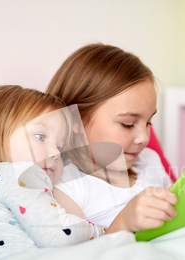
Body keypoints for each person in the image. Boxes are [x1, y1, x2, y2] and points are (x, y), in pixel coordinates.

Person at [0, 85, 109, 260]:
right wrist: (104, 232)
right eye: (40, 137)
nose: (55, 153)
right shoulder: (17, 175)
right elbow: (58, 235)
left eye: (60, 147)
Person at [47, 43, 178, 234]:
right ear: (75, 119)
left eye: (148, 122)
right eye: (127, 124)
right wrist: (122, 224)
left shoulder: (150, 161)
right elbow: (78, 258)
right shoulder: (66, 188)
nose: (143, 138)